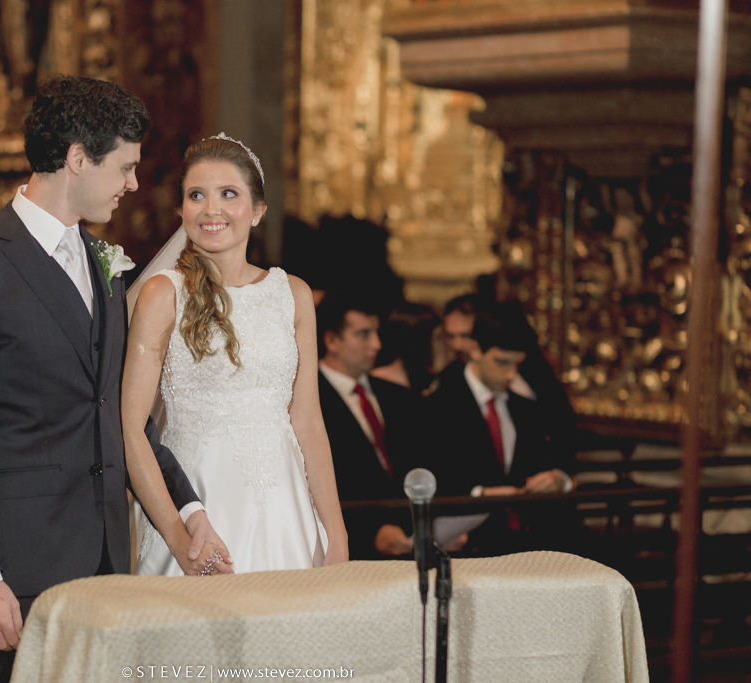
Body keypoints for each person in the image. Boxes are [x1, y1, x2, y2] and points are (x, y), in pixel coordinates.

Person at [0, 75, 228, 683]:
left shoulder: (104, 265)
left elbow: (119, 415)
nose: (133, 185)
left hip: (105, 560)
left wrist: (189, 509)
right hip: (16, 570)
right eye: (125, 167)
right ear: (78, 159)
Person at [126, 134, 347, 575]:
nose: (212, 209)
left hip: (286, 511)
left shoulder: (293, 294)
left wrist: (336, 532)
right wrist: (179, 537)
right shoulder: (162, 294)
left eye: (229, 194)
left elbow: (307, 422)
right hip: (197, 507)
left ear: (258, 210)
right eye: (197, 195)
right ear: (181, 210)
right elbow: (130, 431)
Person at [420, 303, 575, 554]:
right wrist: (481, 494)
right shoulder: (438, 404)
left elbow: (550, 460)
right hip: (468, 545)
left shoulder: (524, 407)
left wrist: (557, 478)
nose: (511, 374)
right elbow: (430, 475)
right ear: (474, 349)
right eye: (502, 363)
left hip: (528, 542)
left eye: (518, 365)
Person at [315, 293, 417, 560]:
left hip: (409, 540)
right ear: (331, 340)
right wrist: (370, 532)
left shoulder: (397, 396)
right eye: (363, 334)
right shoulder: (310, 400)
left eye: (376, 333)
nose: (377, 344)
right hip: (350, 547)